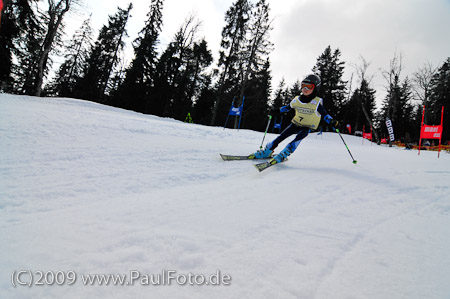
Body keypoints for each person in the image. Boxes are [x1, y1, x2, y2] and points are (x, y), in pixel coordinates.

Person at [252, 74, 338, 163]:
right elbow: (286, 108)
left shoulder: (316, 103)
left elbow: (325, 115)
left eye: (309, 87)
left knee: (299, 137)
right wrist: (276, 110)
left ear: (316, 88)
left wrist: (332, 121)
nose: (305, 89)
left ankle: (285, 153)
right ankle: (267, 151)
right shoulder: (296, 100)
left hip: (307, 126)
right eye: (303, 85)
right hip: (295, 123)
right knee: (282, 136)